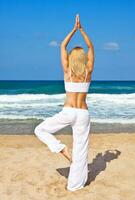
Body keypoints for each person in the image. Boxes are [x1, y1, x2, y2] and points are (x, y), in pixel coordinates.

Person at [34, 14, 94, 191]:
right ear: (82, 59)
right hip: (82, 113)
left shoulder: (67, 70)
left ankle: (62, 149)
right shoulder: (87, 72)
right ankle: (75, 186)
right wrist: (82, 30)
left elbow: (62, 45)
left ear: (71, 58)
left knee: (40, 129)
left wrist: (73, 29)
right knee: (81, 150)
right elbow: (90, 46)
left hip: (68, 112)